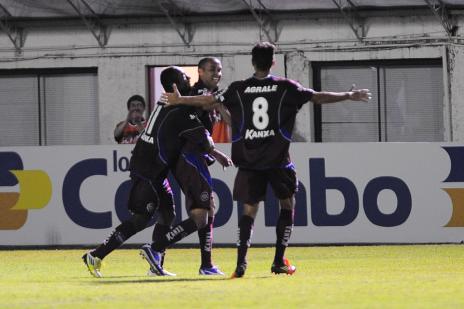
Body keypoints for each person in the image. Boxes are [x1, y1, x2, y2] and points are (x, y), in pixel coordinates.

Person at [161, 42, 372, 278]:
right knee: (287, 205)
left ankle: (241, 264)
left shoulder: (238, 89)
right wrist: (349, 95)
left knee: (249, 211)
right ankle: (279, 260)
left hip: (250, 162)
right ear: (273, 62)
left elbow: (208, 100)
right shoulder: (286, 87)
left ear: (252, 62)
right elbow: (317, 97)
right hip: (278, 159)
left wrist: (179, 100)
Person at [82, 66, 232, 278]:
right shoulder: (179, 109)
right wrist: (216, 152)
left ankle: (156, 260)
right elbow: (204, 138)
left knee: (168, 213)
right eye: (183, 77)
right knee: (142, 218)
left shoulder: (165, 102)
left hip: (152, 167)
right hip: (148, 169)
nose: (188, 79)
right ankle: (99, 255)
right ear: (174, 85)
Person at [190, 57, 231, 275]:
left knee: (206, 210)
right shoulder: (195, 94)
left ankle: (206, 264)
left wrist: (220, 102)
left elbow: (231, 121)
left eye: (220, 70)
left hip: (200, 157)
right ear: (200, 72)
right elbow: (192, 132)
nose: (217, 73)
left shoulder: (213, 97)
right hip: (190, 158)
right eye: (212, 69)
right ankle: (157, 248)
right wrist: (215, 152)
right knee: (204, 211)